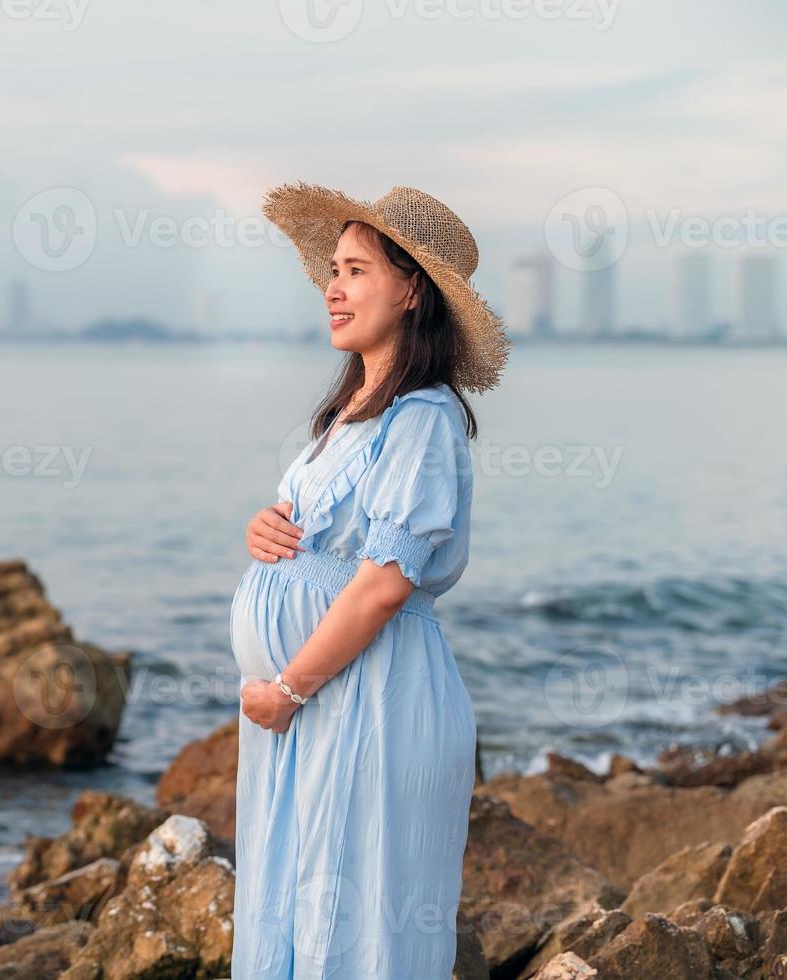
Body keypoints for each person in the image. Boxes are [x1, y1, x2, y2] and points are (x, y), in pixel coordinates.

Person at [229, 183, 511, 978]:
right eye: (332, 268)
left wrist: (285, 690)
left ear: (411, 287)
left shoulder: (420, 417)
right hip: (323, 705)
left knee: (353, 939)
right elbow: (324, 544)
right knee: (298, 919)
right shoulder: (349, 415)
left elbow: (385, 585)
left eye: (354, 269)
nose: (332, 286)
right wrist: (265, 535)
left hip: (367, 704)